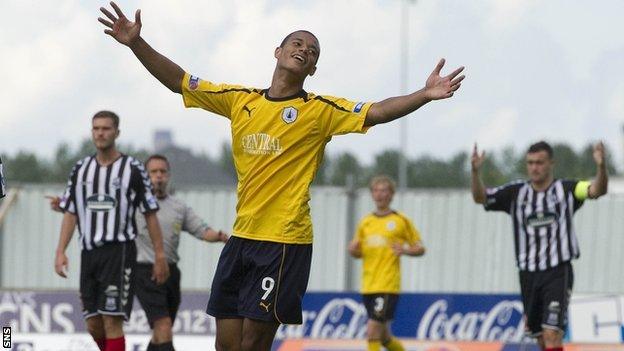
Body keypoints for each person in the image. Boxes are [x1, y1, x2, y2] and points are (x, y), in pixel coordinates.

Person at [97, 3, 465, 350]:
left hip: (284, 242)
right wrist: (136, 44)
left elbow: (378, 111)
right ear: (277, 51)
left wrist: (425, 94)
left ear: (313, 70)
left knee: (253, 344)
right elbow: (179, 80)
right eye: (297, 43)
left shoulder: (320, 111)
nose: (304, 50)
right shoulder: (240, 100)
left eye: (313, 51)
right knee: (225, 344)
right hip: (241, 239)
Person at [470, 141, 608, 351]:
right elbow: (481, 197)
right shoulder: (515, 193)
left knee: (552, 333)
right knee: (541, 338)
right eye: (530, 163)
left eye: (539, 162)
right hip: (528, 275)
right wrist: (475, 172)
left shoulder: (567, 189)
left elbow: (596, 190)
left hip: (557, 271)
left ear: (551, 163)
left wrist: (601, 167)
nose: (534, 167)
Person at [54, 110, 170, 351]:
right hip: (89, 254)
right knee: (93, 324)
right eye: (96, 128)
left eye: (106, 128)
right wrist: (60, 251)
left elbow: (150, 214)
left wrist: (160, 255)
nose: (100, 133)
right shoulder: (80, 169)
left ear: (117, 132)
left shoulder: (133, 169)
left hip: (119, 253)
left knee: (112, 319)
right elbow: (70, 211)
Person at [135, 154, 229, 351]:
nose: (158, 176)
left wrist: (220, 236)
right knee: (164, 327)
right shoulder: (134, 204)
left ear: (168, 175)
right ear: (145, 175)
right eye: (154, 172)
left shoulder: (179, 207)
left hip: (170, 273)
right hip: (145, 271)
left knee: (161, 333)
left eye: (162, 171)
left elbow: (202, 230)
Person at [348, 175, 425, 351]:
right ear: (372, 194)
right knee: (384, 337)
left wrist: (405, 250)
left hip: (387, 284)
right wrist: (353, 250)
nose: (379, 194)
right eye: (376, 190)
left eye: (384, 190)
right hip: (368, 285)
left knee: (372, 330)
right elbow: (358, 251)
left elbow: (420, 248)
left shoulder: (400, 220)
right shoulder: (366, 222)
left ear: (391, 194)